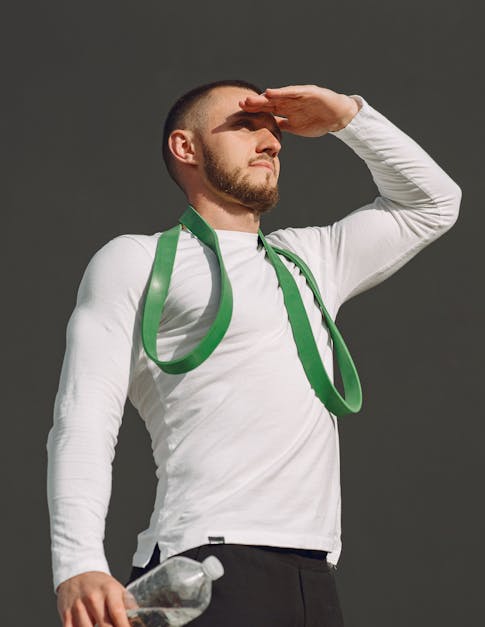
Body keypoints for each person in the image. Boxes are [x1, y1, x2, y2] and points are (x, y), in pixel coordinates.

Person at [46, 80, 461, 627]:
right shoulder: (137, 261)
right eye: (245, 126)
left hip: (312, 572)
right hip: (208, 567)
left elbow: (434, 202)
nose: (271, 143)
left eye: (274, 133)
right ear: (185, 147)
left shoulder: (311, 258)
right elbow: (85, 415)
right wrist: (77, 562)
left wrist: (347, 119)